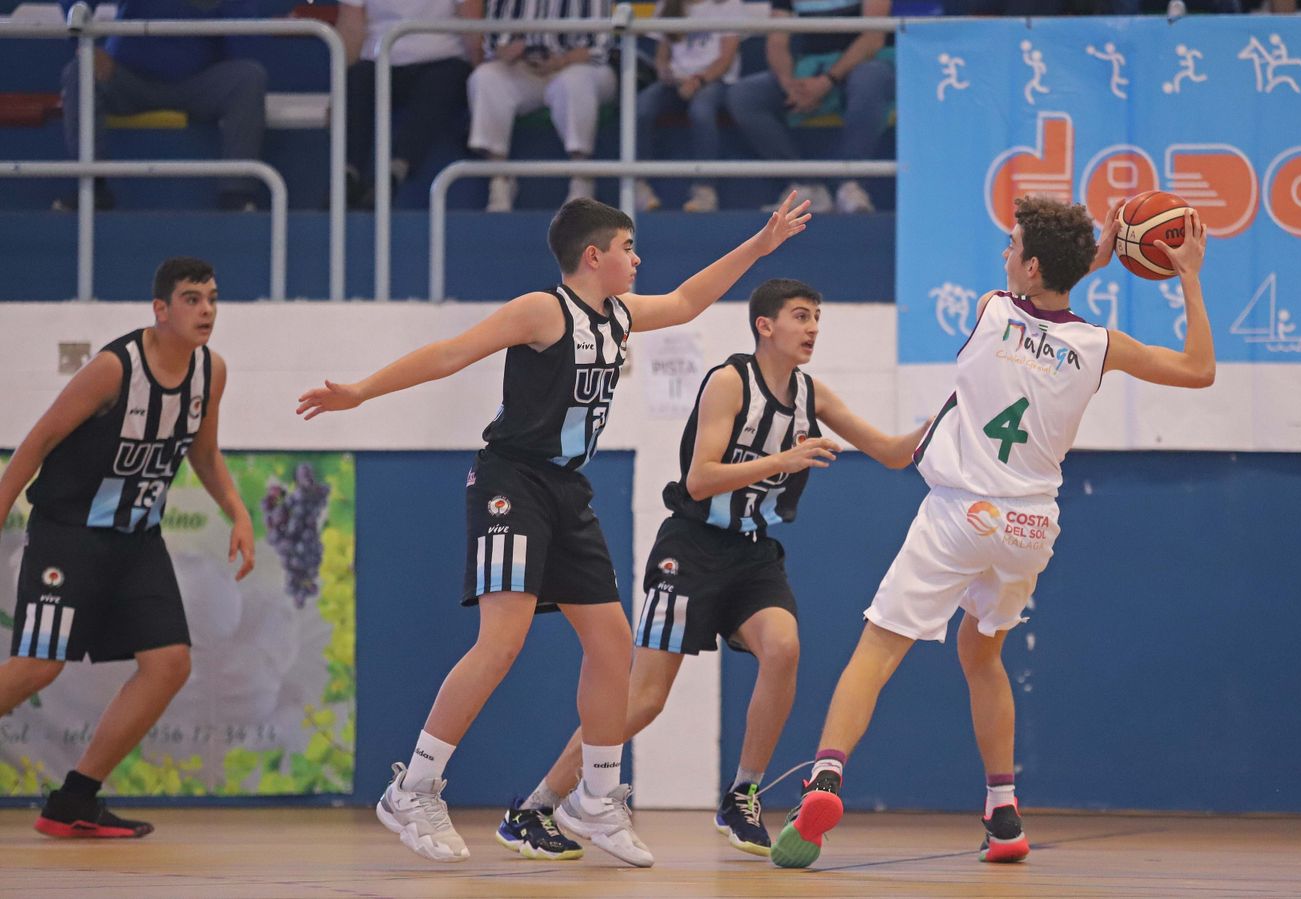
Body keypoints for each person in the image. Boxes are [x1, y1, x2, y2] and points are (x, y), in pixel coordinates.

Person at [295, 194, 811, 865]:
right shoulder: (543, 310)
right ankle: (414, 788)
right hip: (514, 481)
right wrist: (362, 390)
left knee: (613, 642)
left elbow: (686, 302)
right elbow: (452, 353)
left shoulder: (620, 317)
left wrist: (758, 246)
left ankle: (595, 798)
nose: (638, 258)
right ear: (593, 255)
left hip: (568, 491)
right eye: (629, 247)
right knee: (501, 640)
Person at [769, 197, 1213, 868]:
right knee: (982, 656)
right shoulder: (1100, 346)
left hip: (959, 511)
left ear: (1028, 266)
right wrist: (1188, 275)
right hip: (1030, 526)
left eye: (1013, 246)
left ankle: (825, 777)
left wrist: (1086, 254)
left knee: (878, 650)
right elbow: (1199, 369)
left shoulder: (992, 310)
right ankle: (1002, 812)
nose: (1004, 253)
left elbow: (1039, 292)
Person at [500, 277, 927, 862]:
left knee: (784, 647)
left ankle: (742, 795)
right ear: (765, 326)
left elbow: (893, 452)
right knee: (645, 698)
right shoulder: (729, 383)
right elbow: (699, 478)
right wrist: (786, 458)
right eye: (801, 316)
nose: (812, 328)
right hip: (692, 546)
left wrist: (947, 416)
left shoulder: (811, 395)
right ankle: (536, 806)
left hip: (752, 553)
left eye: (817, 318)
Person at [0, 256, 255, 837]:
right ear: (160, 309)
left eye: (212, 297)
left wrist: (237, 513)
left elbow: (203, 454)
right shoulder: (116, 368)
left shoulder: (211, 372)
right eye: (192, 299)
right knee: (37, 666)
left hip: (138, 539)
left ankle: (73, 800)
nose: (207, 310)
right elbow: (38, 440)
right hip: (69, 533)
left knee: (169, 664)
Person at [55, 0, 269, 212]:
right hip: (128, 77)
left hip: (198, 82)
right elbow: (75, 6)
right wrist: (85, 48)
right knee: (79, 72)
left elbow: (246, 44)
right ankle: (92, 187)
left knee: (249, 78)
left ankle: (237, 196)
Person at [726, 0, 893, 215]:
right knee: (745, 95)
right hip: (812, 69)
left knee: (870, 78)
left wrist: (827, 81)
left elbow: (873, 37)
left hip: (865, 63)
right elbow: (777, 40)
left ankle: (850, 184)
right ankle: (805, 185)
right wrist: (789, 85)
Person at [471, 0, 618, 211]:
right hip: (524, 68)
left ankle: (581, 179)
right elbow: (494, 42)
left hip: (580, 66)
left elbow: (601, 45)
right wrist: (510, 52)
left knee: (573, 83)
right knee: (485, 78)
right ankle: (499, 179)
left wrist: (562, 60)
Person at [337, 0, 484, 209]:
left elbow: (471, 24)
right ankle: (347, 176)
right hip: (379, 59)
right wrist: (338, 94)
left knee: (441, 84)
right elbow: (351, 28)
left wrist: (479, 89)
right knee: (358, 80)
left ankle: (395, 173)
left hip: (443, 58)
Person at [633, 0, 746, 214]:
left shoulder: (730, 4)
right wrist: (664, 72)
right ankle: (638, 186)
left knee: (701, 111)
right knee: (642, 107)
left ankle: (705, 189)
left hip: (714, 81)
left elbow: (726, 58)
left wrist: (699, 81)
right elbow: (662, 55)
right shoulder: (667, 5)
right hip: (676, 82)